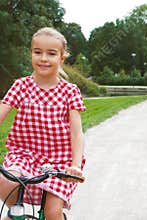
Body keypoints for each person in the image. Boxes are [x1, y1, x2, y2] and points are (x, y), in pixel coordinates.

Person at [0, 27, 86, 220]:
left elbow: (77, 133)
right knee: (6, 183)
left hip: (59, 161)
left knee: (52, 211)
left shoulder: (70, 91)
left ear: (62, 58)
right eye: (37, 52)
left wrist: (75, 164)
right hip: (24, 155)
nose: (43, 58)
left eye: (51, 53)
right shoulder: (21, 86)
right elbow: (2, 111)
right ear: (31, 53)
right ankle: (16, 214)